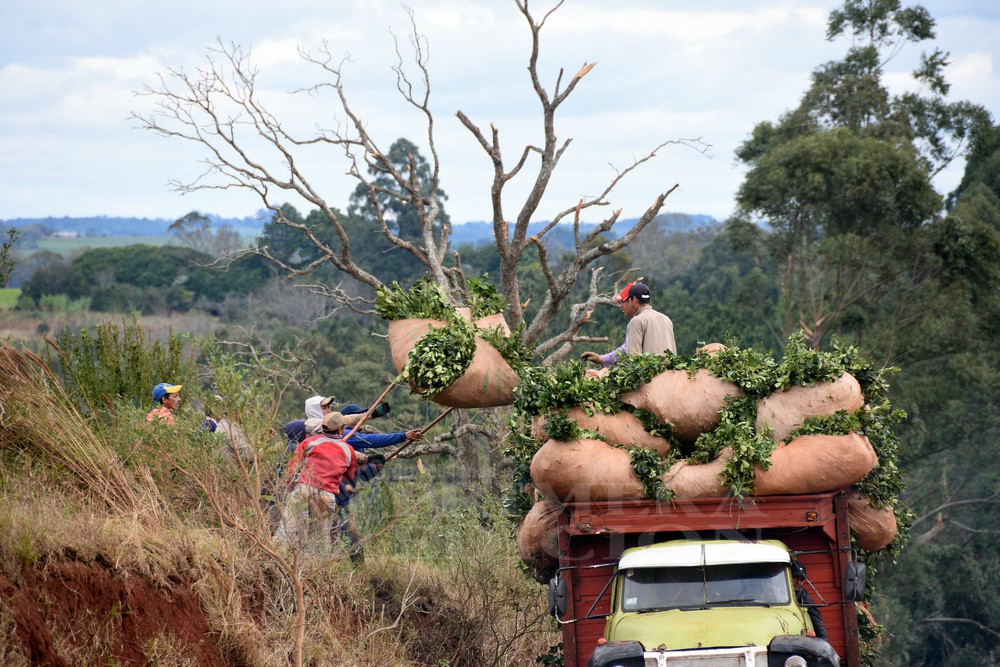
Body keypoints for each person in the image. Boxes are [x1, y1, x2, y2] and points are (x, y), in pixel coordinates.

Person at [275, 412, 366, 553]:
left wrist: (288, 486)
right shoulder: (348, 450)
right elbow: (349, 476)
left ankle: (276, 559)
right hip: (326, 495)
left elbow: (292, 468)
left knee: (287, 531)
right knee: (318, 541)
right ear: (341, 429)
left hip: (303, 489)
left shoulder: (309, 442)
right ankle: (315, 570)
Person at [580, 282, 676, 368]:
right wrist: (601, 359)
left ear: (633, 300)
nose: (621, 306)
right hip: (672, 375)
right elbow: (626, 348)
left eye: (623, 302)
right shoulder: (666, 319)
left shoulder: (637, 321)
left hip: (652, 379)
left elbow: (633, 360)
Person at [334, 453, 387, 562]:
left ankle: (358, 570)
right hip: (326, 500)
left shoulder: (351, 452)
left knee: (353, 536)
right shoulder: (340, 448)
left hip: (343, 504)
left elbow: (364, 475)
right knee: (329, 537)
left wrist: (376, 468)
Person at [791, 561, 828, 641]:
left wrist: (824, 640)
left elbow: (814, 614)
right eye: (795, 577)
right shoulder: (776, 591)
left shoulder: (802, 593)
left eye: (802, 579)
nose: (799, 582)